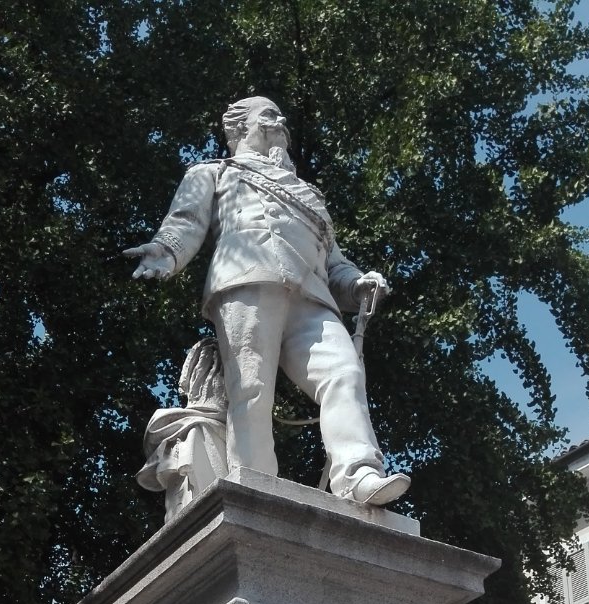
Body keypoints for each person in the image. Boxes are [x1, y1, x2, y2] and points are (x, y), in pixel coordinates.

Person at [124, 96, 410, 507]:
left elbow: (335, 263)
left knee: (345, 373)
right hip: (246, 279)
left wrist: (358, 284)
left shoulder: (309, 197)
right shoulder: (213, 173)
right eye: (269, 116)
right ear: (240, 128)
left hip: (313, 296)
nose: (282, 123)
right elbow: (184, 224)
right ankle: (254, 488)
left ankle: (358, 472)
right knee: (252, 390)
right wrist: (165, 252)